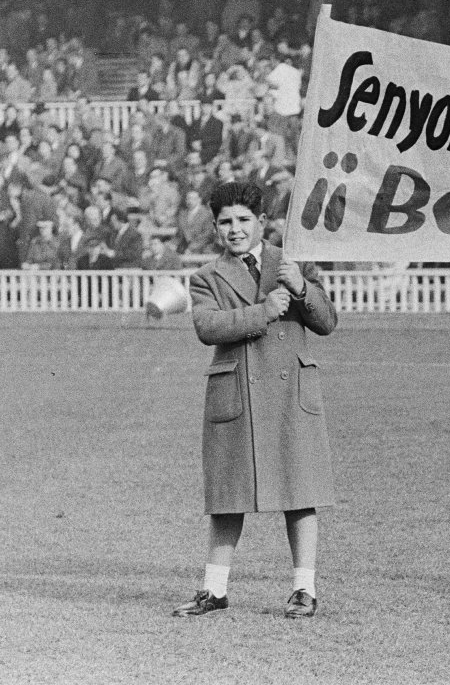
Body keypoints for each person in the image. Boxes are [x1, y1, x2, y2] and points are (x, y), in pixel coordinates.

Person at [172, 182, 338, 620]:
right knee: (228, 498)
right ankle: (214, 589)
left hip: (290, 395)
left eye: (244, 219)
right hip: (237, 395)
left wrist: (301, 286)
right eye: (225, 222)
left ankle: (304, 589)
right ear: (214, 227)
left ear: (262, 223)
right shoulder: (206, 277)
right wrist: (263, 311)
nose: (235, 229)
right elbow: (208, 327)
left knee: (300, 494)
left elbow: (326, 321)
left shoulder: (289, 263)